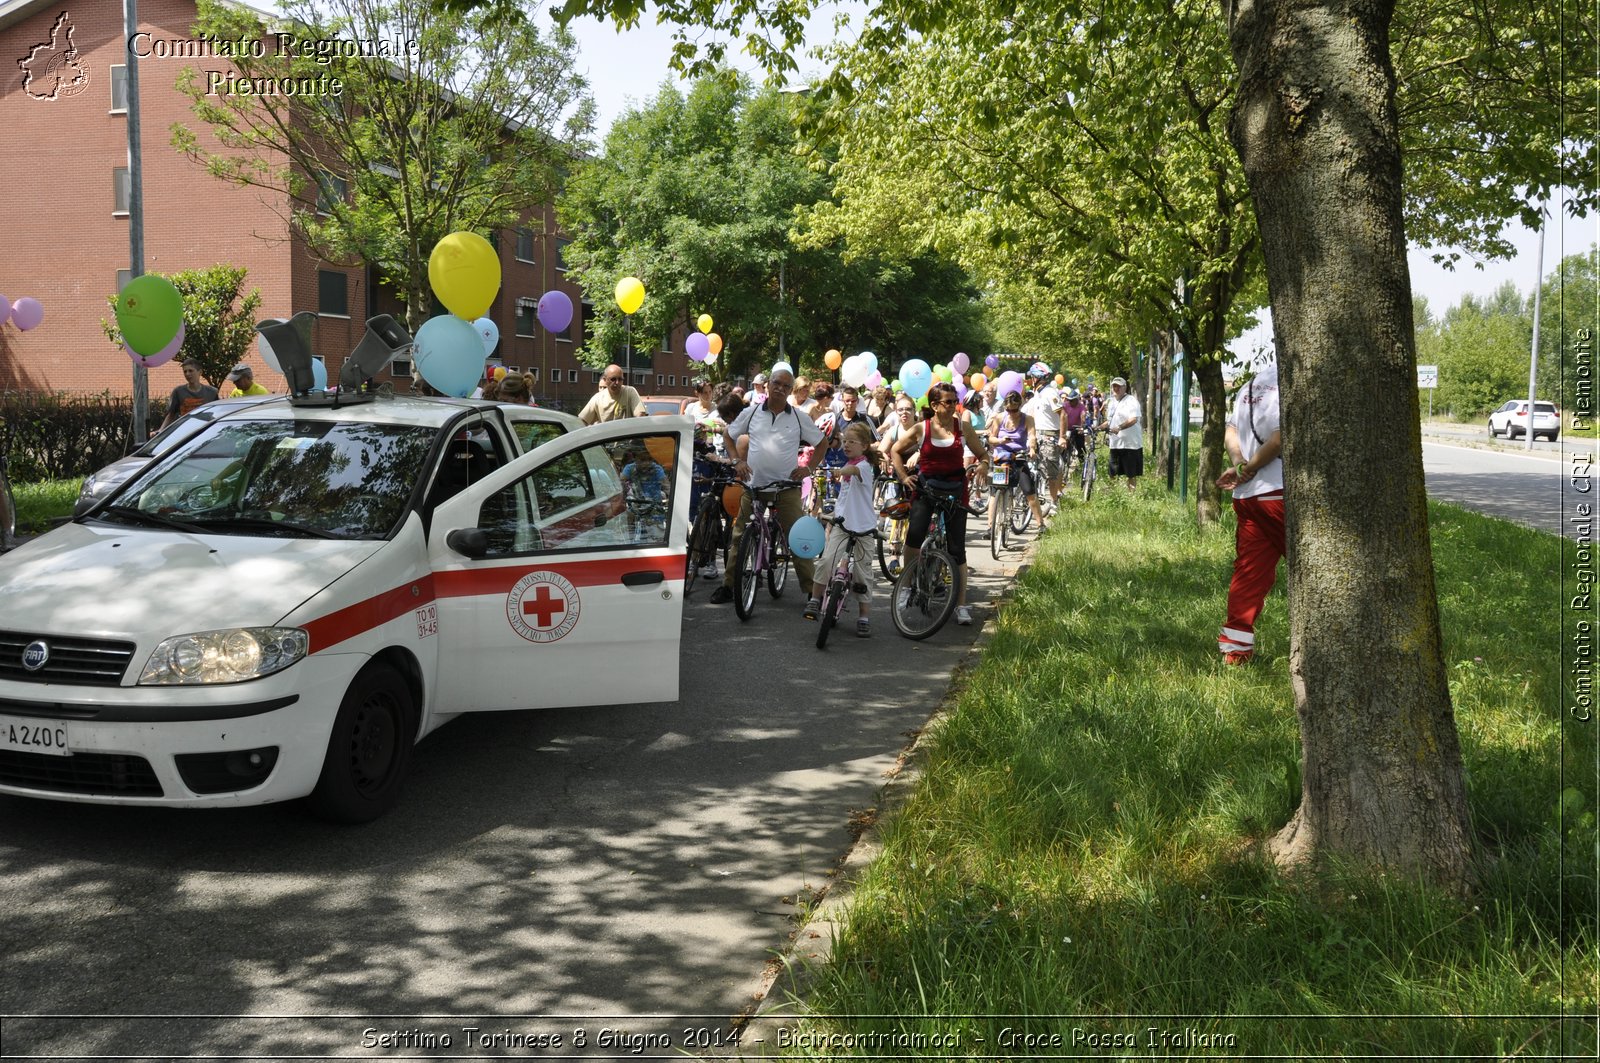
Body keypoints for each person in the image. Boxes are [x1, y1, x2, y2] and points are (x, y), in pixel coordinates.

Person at [709, 365, 825, 607]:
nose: (780, 389)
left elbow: (822, 443)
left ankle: (811, 593)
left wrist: (809, 468)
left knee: (798, 537)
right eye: (776, 383)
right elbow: (729, 435)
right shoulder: (751, 413)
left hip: (786, 488)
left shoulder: (799, 417)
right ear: (768, 385)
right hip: (754, 486)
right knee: (739, 536)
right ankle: (729, 586)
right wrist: (736, 460)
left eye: (785, 386)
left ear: (790, 390)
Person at [890, 380, 992, 627]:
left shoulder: (963, 427)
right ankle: (908, 586)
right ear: (935, 405)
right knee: (914, 538)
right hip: (927, 488)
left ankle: (961, 604)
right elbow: (895, 450)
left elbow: (984, 454)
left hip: (955, 489)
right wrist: (904, 476)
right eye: (948, 402)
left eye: (954, 401)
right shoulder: (921, 428)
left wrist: (983, 466)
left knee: (957, 550)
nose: (953, 406)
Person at [1216, 361, 1284, 665]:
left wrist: (1240, 463)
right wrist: (1251, 467)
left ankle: (1235, 652)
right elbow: (1280, 439)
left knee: (1249, 574)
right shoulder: (1290, 384)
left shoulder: (1248, 387)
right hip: (1279, 491)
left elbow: (1231, 430)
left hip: (1248, 498)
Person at [805, 422, 881, 637]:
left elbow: (853, 470)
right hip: (843, 524)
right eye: (844, 441)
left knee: (862, 574)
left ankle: (863, 616)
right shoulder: (850, 463)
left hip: (864, 529)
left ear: (865, 446)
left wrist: (840, 471)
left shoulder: (864, 466)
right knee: (826, 561)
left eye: (852, 442)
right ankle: (814, 599)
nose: (846, 445)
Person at [986, 388, 1047, 532]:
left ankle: (1040, 525)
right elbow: (991, 438)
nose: (1012, 413)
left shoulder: (1027, 419)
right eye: (1009, 410)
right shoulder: (1000, 418)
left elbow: (1032, 436)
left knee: (1028, 489)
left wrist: (1032, 449)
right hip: (1002, 457)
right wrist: (1001, 440)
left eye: (1015, 410)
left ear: (1020, 406)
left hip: (1019, 456)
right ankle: (990, 527)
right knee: (995, 491)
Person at [1022, 364, 1064, 512]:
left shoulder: (1050, 393)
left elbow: (1062, 414)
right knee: (1029, 466)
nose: (1030, 379)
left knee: (1050, 473)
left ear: (1037, 377)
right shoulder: (1037, 394)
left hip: (1049, 435)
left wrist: (1062, 437)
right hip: (1036, 434)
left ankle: (1053, 502)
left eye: (1032, 376)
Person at [1103, 376, 1143, 491]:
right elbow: (1110, 420)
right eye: (1114, 386)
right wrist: (1099, 427)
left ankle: (1131, 496)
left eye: (1119, 386)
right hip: (1115, 443)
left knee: (1131, 473)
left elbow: (1134, 419)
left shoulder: (1131, 401)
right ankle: (1113, 495)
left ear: (1125, 387)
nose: (1116, 388)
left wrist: (1119, 427)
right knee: (1112, 471)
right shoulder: (1111, 402)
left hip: (1130, 444)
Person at [579, 364, 646, 424]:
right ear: (605, 380)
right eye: (613, 379)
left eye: (620, 379)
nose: (617, 382)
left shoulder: (630, 392)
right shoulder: (597, 398)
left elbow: (640, 416)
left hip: (627, 436)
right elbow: (582, 421)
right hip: (608, 437)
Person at [162, 359, 219, 428]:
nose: (187, 374)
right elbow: (171, 415)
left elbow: (218, 413)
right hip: (185, 431)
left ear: (200, 372)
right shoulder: (178, 391)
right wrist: (161, 430)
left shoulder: (212, 392)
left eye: (190, 371)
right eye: (185, 371)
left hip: (205, 431)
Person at [1060, 388, 1089, 485]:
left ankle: (1082, 466)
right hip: (1066, 429)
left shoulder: (1081, 406)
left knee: (1081, 447)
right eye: (1069, 400)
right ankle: (1062, 463)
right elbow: (1062, 416)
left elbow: (1083, 415)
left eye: (1072, 400)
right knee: (1062, 447)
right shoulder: (1065, 406)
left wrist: (1082, 425)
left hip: (1077, 429)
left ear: (1077, 400)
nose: (1071, 402)